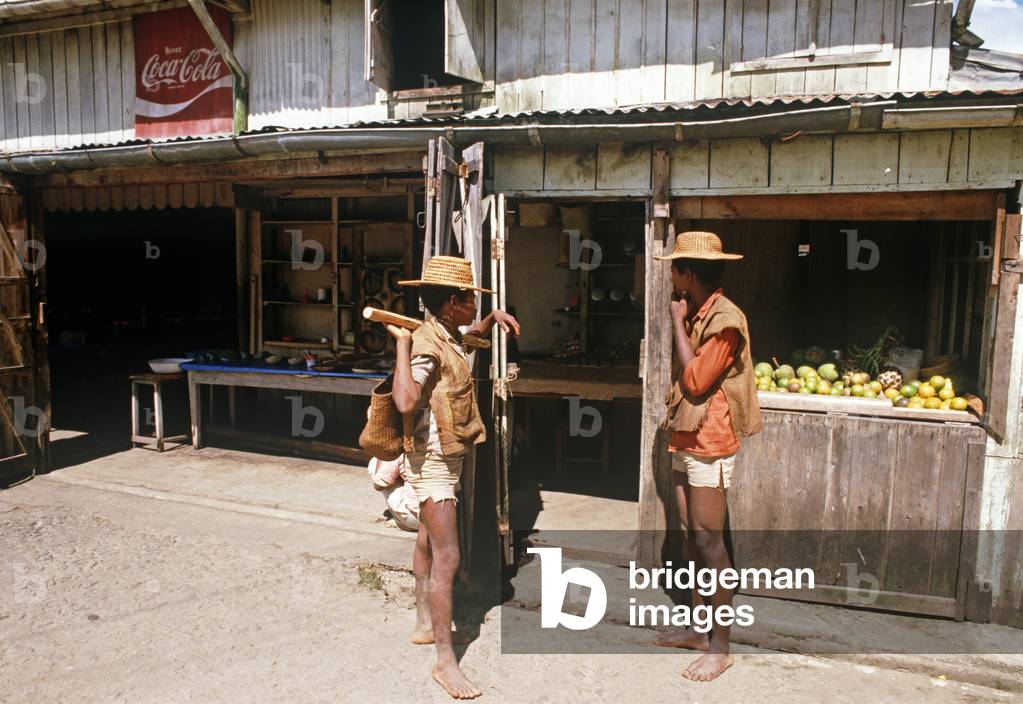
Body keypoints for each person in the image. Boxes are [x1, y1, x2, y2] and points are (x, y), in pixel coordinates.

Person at [386, 256, 520, 700]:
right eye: (470, 301)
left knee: (426, 541)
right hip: (433, 464)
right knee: (449, 556)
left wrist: (489, 320)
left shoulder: (447, 333)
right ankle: (446, 663)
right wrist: (403, 346)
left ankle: (426, 625)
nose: (472, 307)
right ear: (451, 302)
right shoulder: (425, 343)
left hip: (448, 455)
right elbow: (405, 401)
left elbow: (466, 340)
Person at [651, 231, 762, 682]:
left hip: (711, 441)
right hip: (686, 436)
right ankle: (699, 632)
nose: (671, 277)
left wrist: (676, 322)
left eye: (675, 268)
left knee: (711, 543)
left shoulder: (725, 320)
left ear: (689, 274)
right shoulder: (701, 310)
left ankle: (720, 646)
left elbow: (696, 381)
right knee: (691, 540)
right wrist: (683, 317)